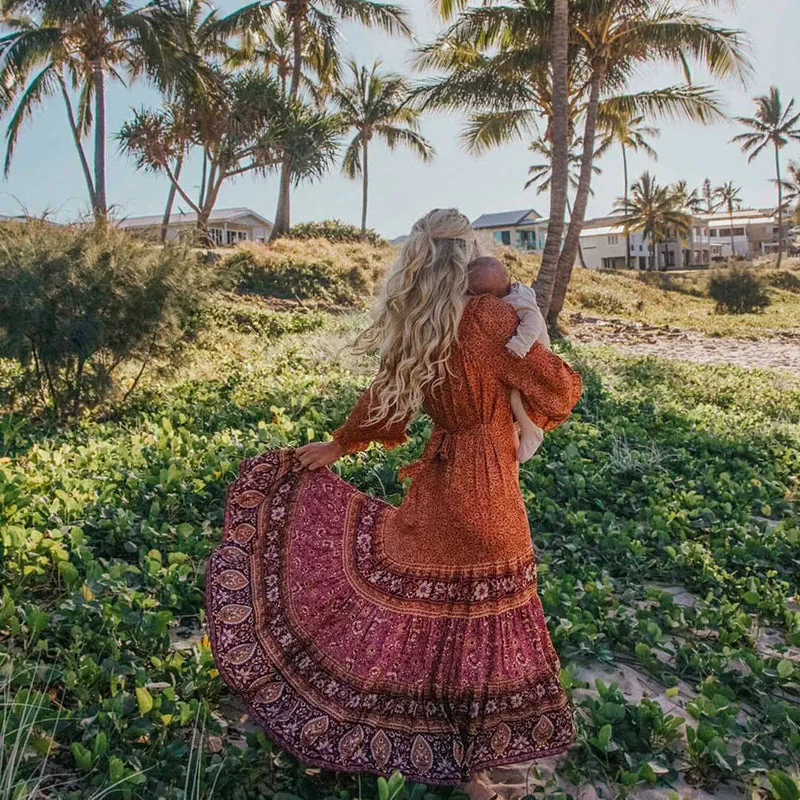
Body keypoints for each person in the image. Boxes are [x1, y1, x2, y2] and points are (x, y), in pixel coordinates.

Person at [205, 209, 583, 797]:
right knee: (478, 626)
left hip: (439, 483)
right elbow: (558, 390)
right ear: (470, 254)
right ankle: (472, 768)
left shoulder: (418, 325)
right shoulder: (493, 318)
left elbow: (387, 402)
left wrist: (340, 443)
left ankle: (428, 747)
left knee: (420, 608)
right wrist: (523, 319)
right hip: (490, 487)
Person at [467, 256, 551, 462]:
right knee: (511, 392)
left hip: (533, 348)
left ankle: (531, 430)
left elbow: (534, 322)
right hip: (526, 350)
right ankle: (524, 428)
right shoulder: (512, 291)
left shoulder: (518, 300)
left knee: (513, 391)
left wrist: (519, 345)